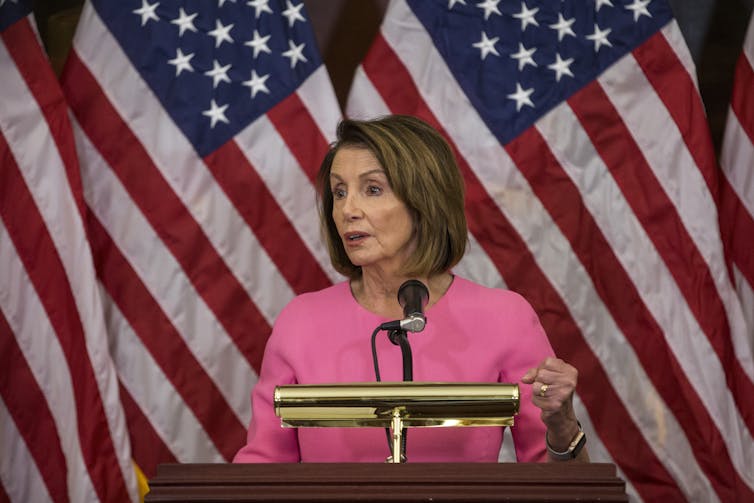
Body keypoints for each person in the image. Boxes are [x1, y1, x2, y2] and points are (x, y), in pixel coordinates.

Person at [234, 115, 588, 463]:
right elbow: (262, 471)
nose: (346, 210)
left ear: (424, 201)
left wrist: (562, 426)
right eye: (339, 192)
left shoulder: (504, 318)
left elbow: (558, 484)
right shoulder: (301, 321)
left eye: (372, 189)